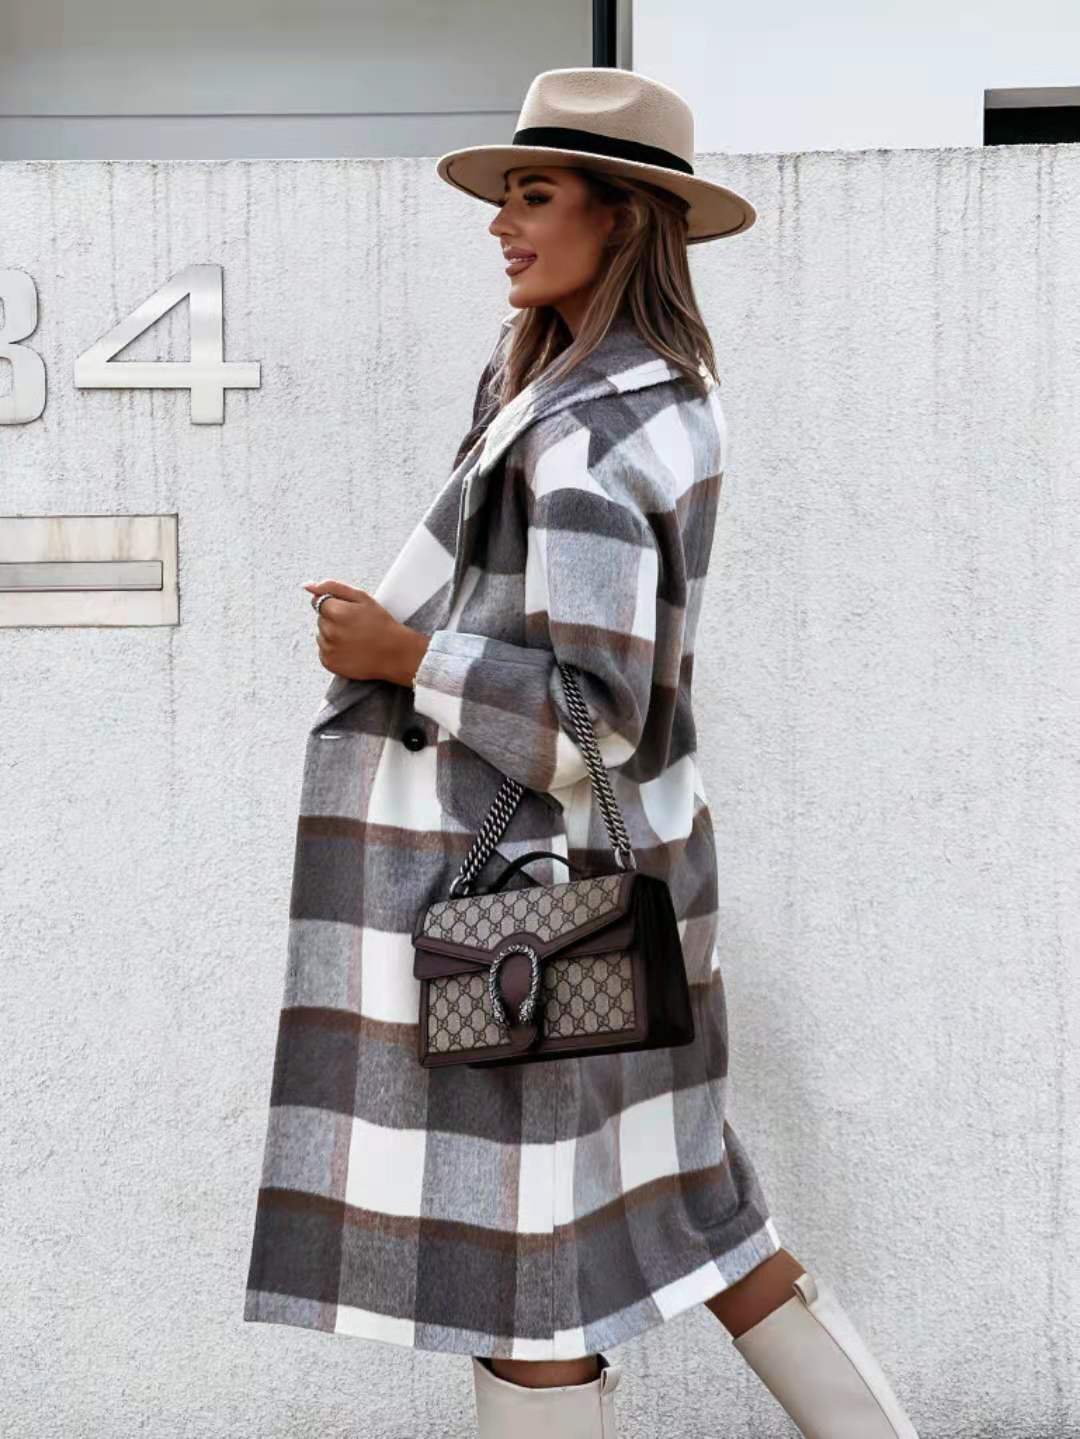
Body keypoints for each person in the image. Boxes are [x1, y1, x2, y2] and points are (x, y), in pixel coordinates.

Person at [244, 67, 920, 1439]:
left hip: (539, 919)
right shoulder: (640, 395)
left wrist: (403, 655)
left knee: (529, 1275)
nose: (503, 222)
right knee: (698, 1211)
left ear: (624, 217)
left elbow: (594, 717)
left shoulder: (590, 428)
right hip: (625, 891)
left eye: (536, 194)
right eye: (505, 195)